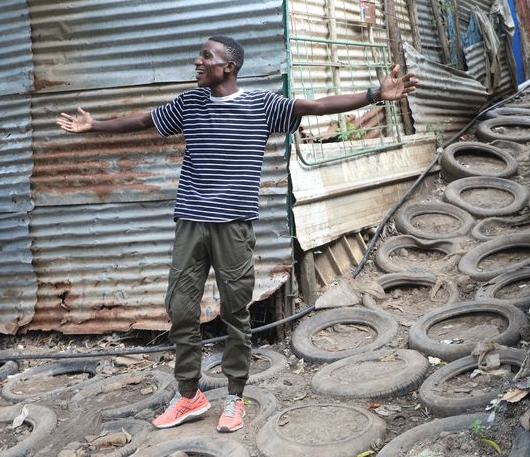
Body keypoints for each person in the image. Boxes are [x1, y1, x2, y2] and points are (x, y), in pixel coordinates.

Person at [56, 35, 417, 433]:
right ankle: (189, 396)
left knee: (235, 314)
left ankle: (234, 397)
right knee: (179, 308)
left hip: (233, 226)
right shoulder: (189, 104)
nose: (197, 61)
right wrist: (94, 126)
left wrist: (374, 95)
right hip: (191, 222)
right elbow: (144, 121)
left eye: (206, 56)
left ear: (228, 66)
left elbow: (314, 106)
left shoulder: (261, 105)